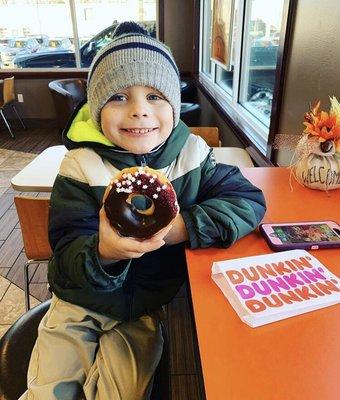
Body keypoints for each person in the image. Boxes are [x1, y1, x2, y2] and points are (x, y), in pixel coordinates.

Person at [19, 21, 266, 400]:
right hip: (76, 301)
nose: (138, 111)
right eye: (118, 97)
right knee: (49, 390)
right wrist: (104, 253)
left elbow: (247, 200)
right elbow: (66, 249)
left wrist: (183, 227)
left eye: (154, 96)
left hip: (146, 307)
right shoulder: (81, 166)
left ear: (173, 103)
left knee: (124, 391)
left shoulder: (193, 158)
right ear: (97, 106)